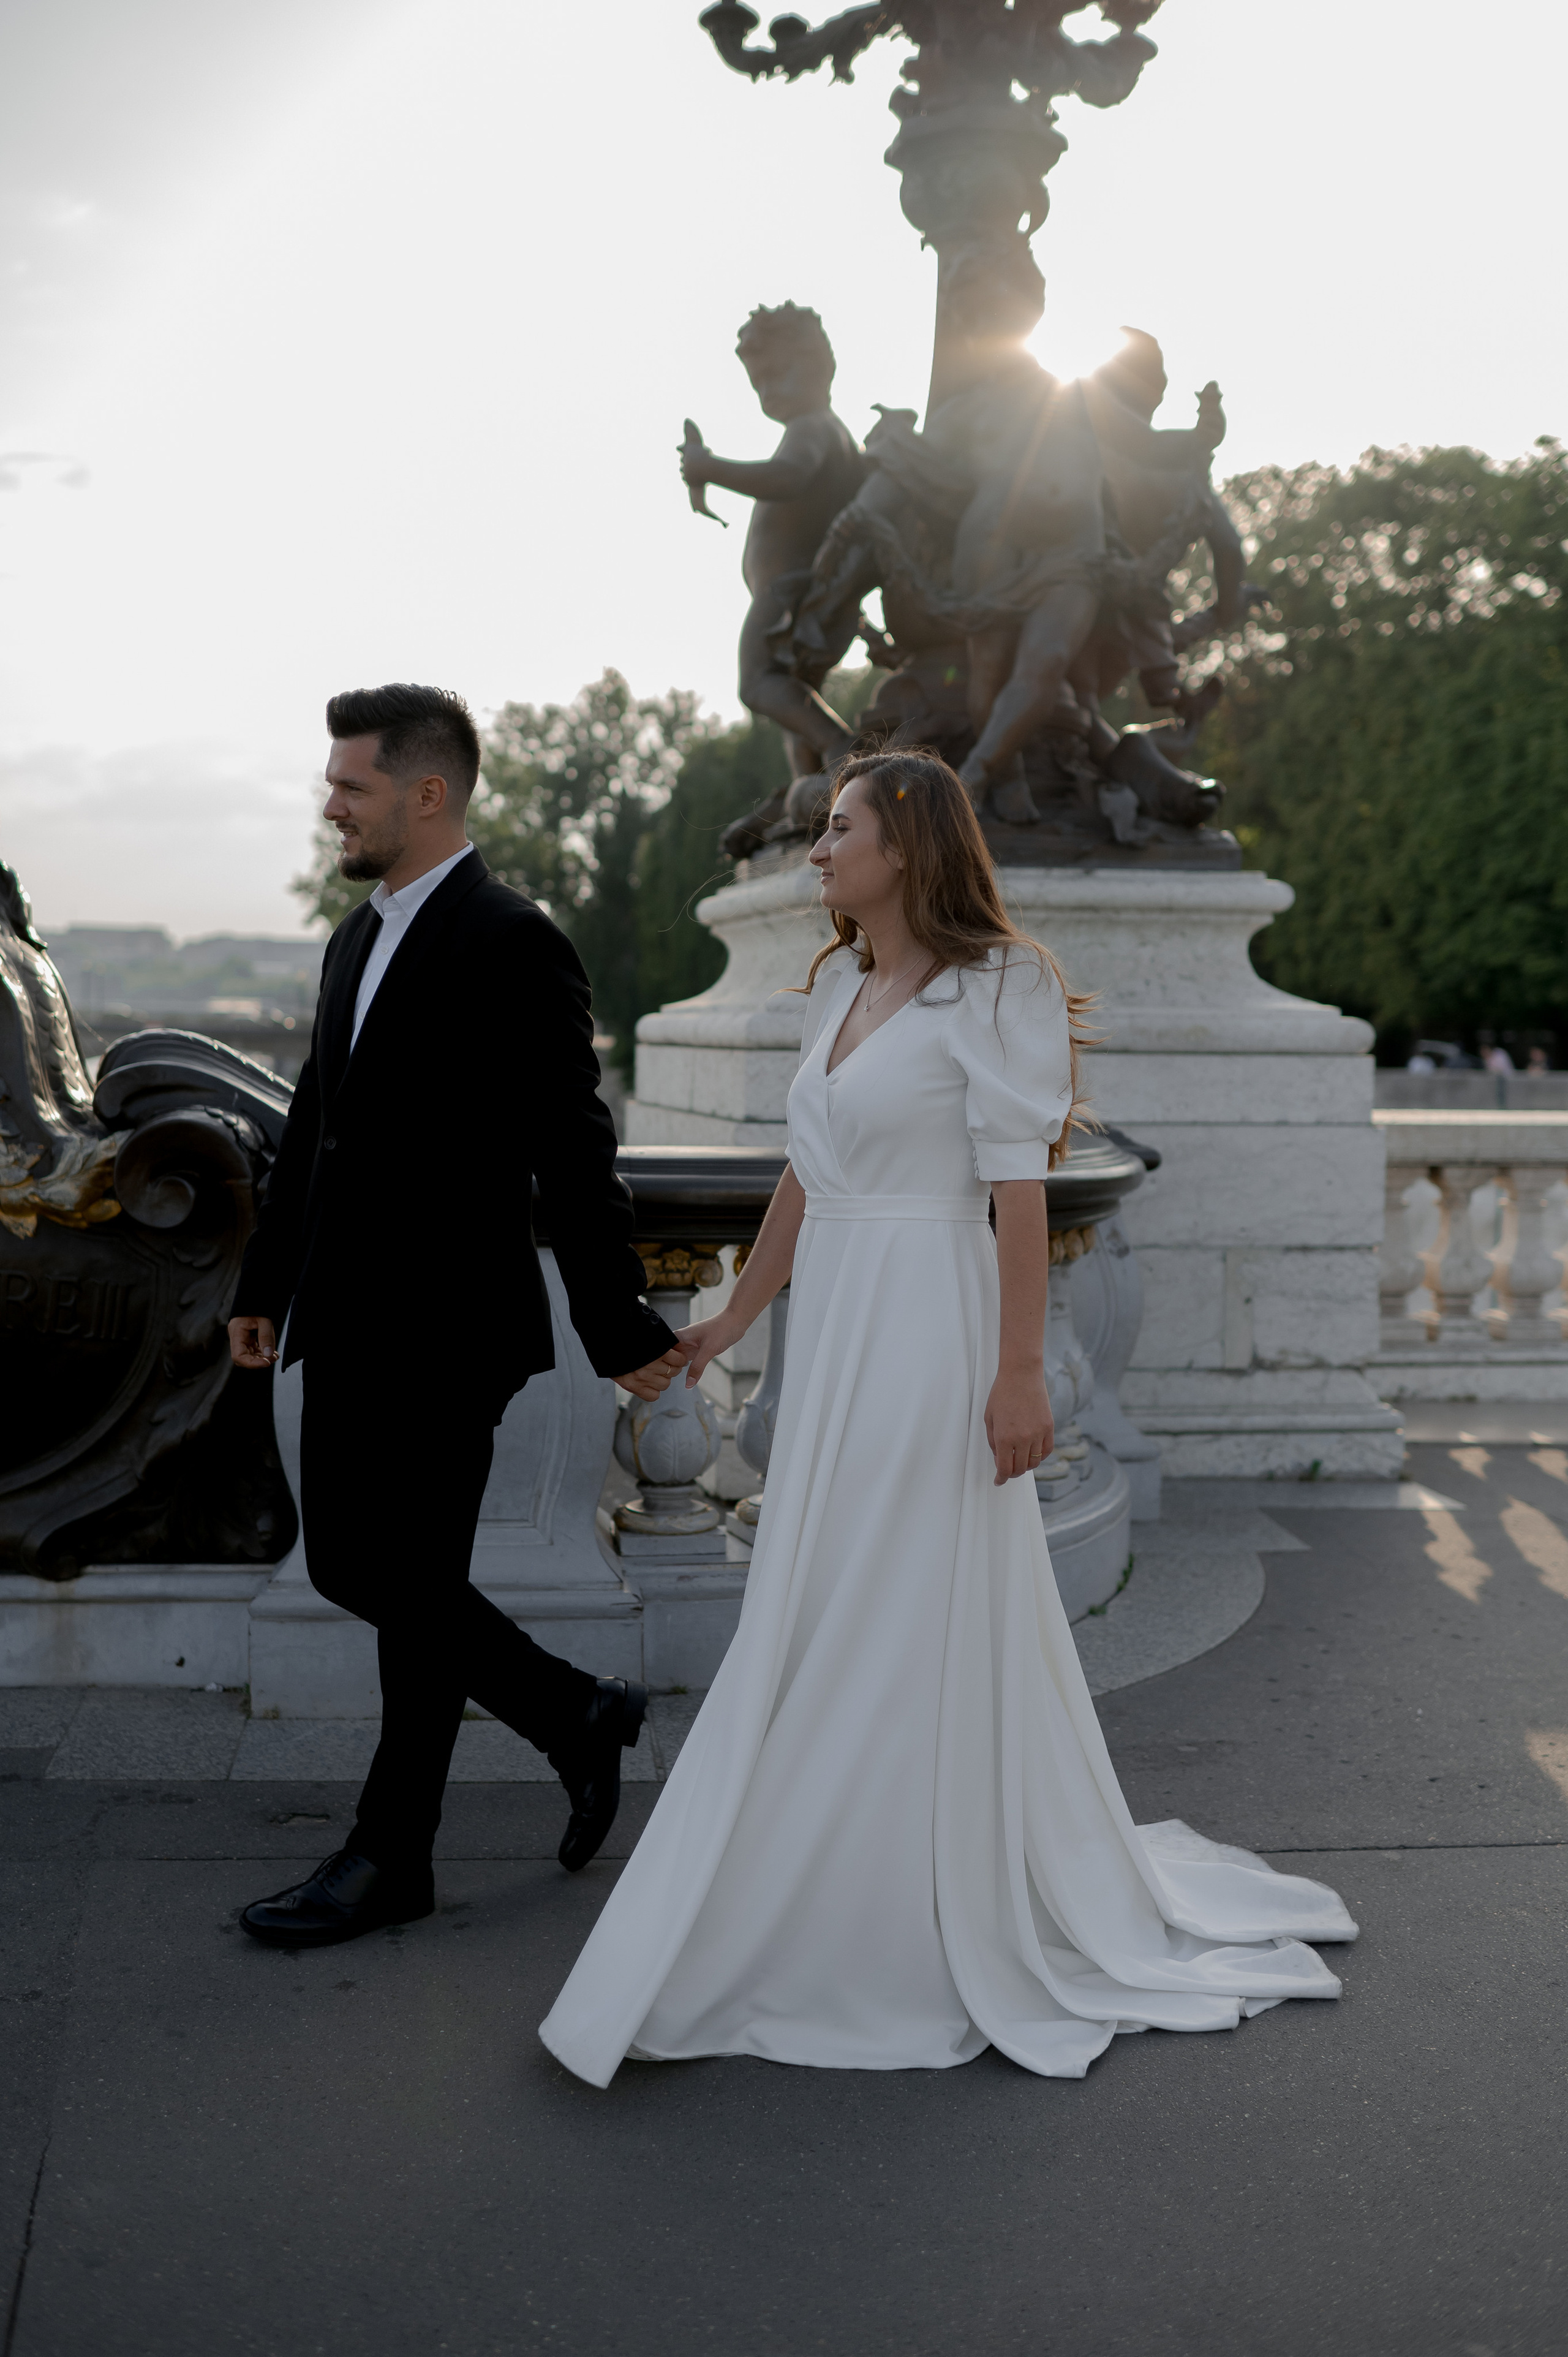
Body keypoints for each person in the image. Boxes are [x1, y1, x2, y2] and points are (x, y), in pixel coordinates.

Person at [540, 750, 1357, 2086]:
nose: (815, 851)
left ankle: (895, 1892)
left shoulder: (1002, 984)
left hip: (929, 1319)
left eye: (838, 828)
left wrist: (1020, 1370)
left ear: (905, 841)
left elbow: (1018, 1197)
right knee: (825, 1588)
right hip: (847, 1314)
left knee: (893, 1588)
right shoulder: (849, 986)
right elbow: (807, 1173)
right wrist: (732, 1323)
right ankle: (826, 1860)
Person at [229, 683, 687, 1949]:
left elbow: (573, 1141)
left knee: (395, 1576)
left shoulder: (509, 936)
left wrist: (618, 1321)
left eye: (351, 785)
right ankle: (569, 1717)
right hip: (345, 1312)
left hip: (452, 1323)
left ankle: (389, 1853)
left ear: (426, 794)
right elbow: (312, 1134)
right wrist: (265, 1285)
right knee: (357, 1564)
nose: (331, 803)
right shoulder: (353, 938)